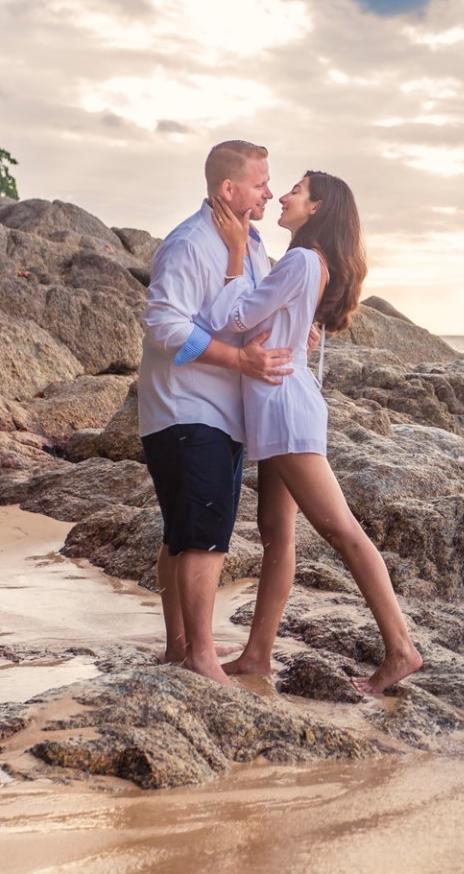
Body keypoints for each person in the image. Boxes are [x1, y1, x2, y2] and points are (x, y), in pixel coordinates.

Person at [201, 171, 423, 695]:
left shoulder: (301, 260)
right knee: (277, 531)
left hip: (283, 405)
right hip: (281, 400)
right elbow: (274, 322)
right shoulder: (308, 263)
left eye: (296, 191)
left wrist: (235, 256)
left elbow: (231, 320)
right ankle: (257, 654)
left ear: (318, 208)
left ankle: (401, 649)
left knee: (342, 531)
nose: (282, 196)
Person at [138, 140, 293, 686]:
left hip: (218, 412)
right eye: (260, 183)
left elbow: (243, 314)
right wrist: (237, 359)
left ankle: (180, 648)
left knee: (181, 533)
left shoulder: (249, 245)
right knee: (204, 534)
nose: (269, 192)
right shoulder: (189, 243)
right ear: (228, 189)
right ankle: (201, 656)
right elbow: (163, 327)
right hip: (187, 410)